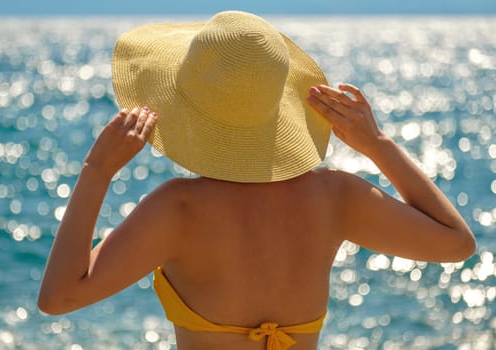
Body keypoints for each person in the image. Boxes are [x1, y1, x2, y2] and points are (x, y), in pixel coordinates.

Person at [38, 11, 476, 350]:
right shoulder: (334, 195)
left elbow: (58, 298)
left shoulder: (177, 209)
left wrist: (97, 172)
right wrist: (378, 144)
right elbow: (457, 244)